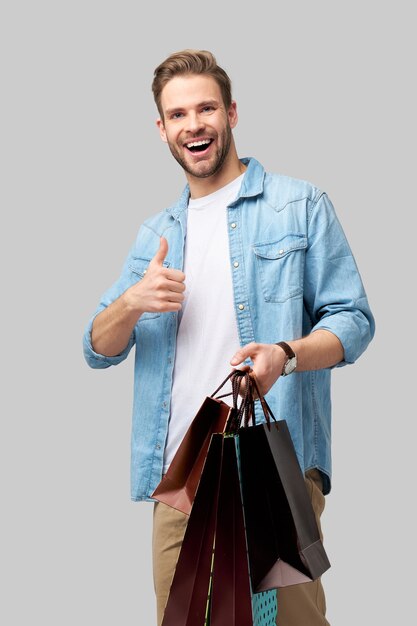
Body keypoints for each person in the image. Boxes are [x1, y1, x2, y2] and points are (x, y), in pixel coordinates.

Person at [83, 49, 375, 626]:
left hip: (272, 463)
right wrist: (132, 301)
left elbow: (354, 322)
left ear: (232, 113)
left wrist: (285, 356)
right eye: (178, 114)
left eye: (206, 108)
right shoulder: (155, 235)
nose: (194, 124)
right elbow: (97, 347)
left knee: (289, 623)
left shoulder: (300, 205)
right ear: (162, 128)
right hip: (181, 478)